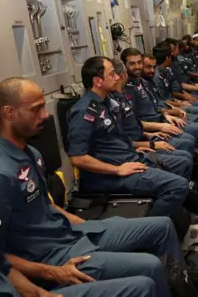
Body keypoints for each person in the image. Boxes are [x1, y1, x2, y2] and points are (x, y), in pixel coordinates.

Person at [0, 77, 186, 297]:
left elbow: (46, 207)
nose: (46, 115)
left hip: (72, 231)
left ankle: (182, 285)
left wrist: (88, 226)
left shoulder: (31, 153)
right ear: (8, 113)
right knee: (150, 267)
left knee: (163, 226)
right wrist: (51, 273)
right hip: (52, 256)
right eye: (36, 109)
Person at [0, 125, 157, 297]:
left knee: (143, 285)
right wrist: (50, 272)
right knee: (148, 271)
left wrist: (41, 294)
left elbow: (2, 267)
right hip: (50, 255)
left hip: (54, 252)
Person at [66, 56, 189, 218]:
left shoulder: (106, 103)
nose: (117, 77)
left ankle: (175, 216)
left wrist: (138, 147)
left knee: (182, 162)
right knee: (178, 186)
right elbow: (77, 158)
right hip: (110, 175)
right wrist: (117, 170)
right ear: (98, 81)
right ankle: (150, 230)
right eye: (112, 74)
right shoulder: (84, 111)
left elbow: (114, 140)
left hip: (129, 158)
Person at [109, 58, 193, 180]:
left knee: (187, 145)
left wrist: (150, 133)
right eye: (132, 63)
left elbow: (133, 125)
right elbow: (119, 141)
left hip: (141, 140)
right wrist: (151, 143)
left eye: (139, 63)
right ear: (124, 75)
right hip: (130, 154)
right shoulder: (111, 103)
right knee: (184, 157)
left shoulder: (121, 96)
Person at [120, 48, 198, 142]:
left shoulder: (144, 82)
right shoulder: (126, 89)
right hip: (153, 127)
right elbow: (134, 121)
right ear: (124, 65)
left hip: (163, 118)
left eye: (139, 63)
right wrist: (165, 121)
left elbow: (156, 106)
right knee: (194, 134)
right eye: (132, 64)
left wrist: (168, 114)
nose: (137, 66)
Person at [142, 53, 198, 120]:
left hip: (170, 107)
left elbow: (163, 99)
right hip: (162, 116)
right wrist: (178, 107)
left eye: (154, 67)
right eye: (148, 67)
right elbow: (159, 105)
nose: (152, 70)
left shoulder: (153, 79)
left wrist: (179, 104)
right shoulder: (153, 79)